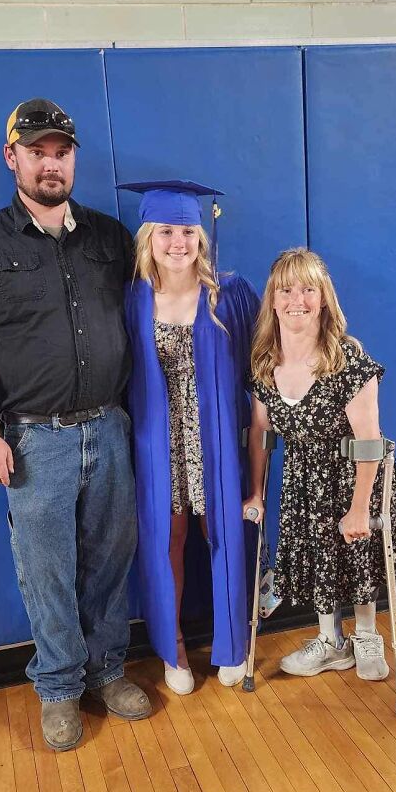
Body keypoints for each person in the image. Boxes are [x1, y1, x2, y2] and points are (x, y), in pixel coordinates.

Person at [0, 98, 151, 750]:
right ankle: (59, 687)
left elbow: (155, 305)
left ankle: (107, 670)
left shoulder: (110, 237)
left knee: (112, 563)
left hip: (110, 429)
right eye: (37, 151)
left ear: (73, 158)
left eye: (61, 151)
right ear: (13, 157)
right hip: (36, 440)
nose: (50, 163)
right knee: (47, 571)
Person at [121, 180, 259, 694]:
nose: (177, 243)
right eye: (166, 232)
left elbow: (260, 365)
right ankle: (173, 647)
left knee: (220, 534)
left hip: (217, 439)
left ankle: (232, 644)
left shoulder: (228, 293)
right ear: (149, 238)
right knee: (168, 538)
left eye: (187, 231)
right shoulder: (133, 299)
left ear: (201, 236)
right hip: (160, 441)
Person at [246, 247, 396, 680]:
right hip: (303, 478)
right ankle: (331, 642)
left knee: (357, 552)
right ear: (273, 299)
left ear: (323, 298)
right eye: (286, 290)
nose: (296, 299)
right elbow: (261, 434)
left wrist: (360, 508)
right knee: (318, 556)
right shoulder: (264, 362)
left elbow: (369, 442)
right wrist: (256, 492)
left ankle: (368, 634)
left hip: (353, 474)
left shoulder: (347, 360)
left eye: (308, 289)